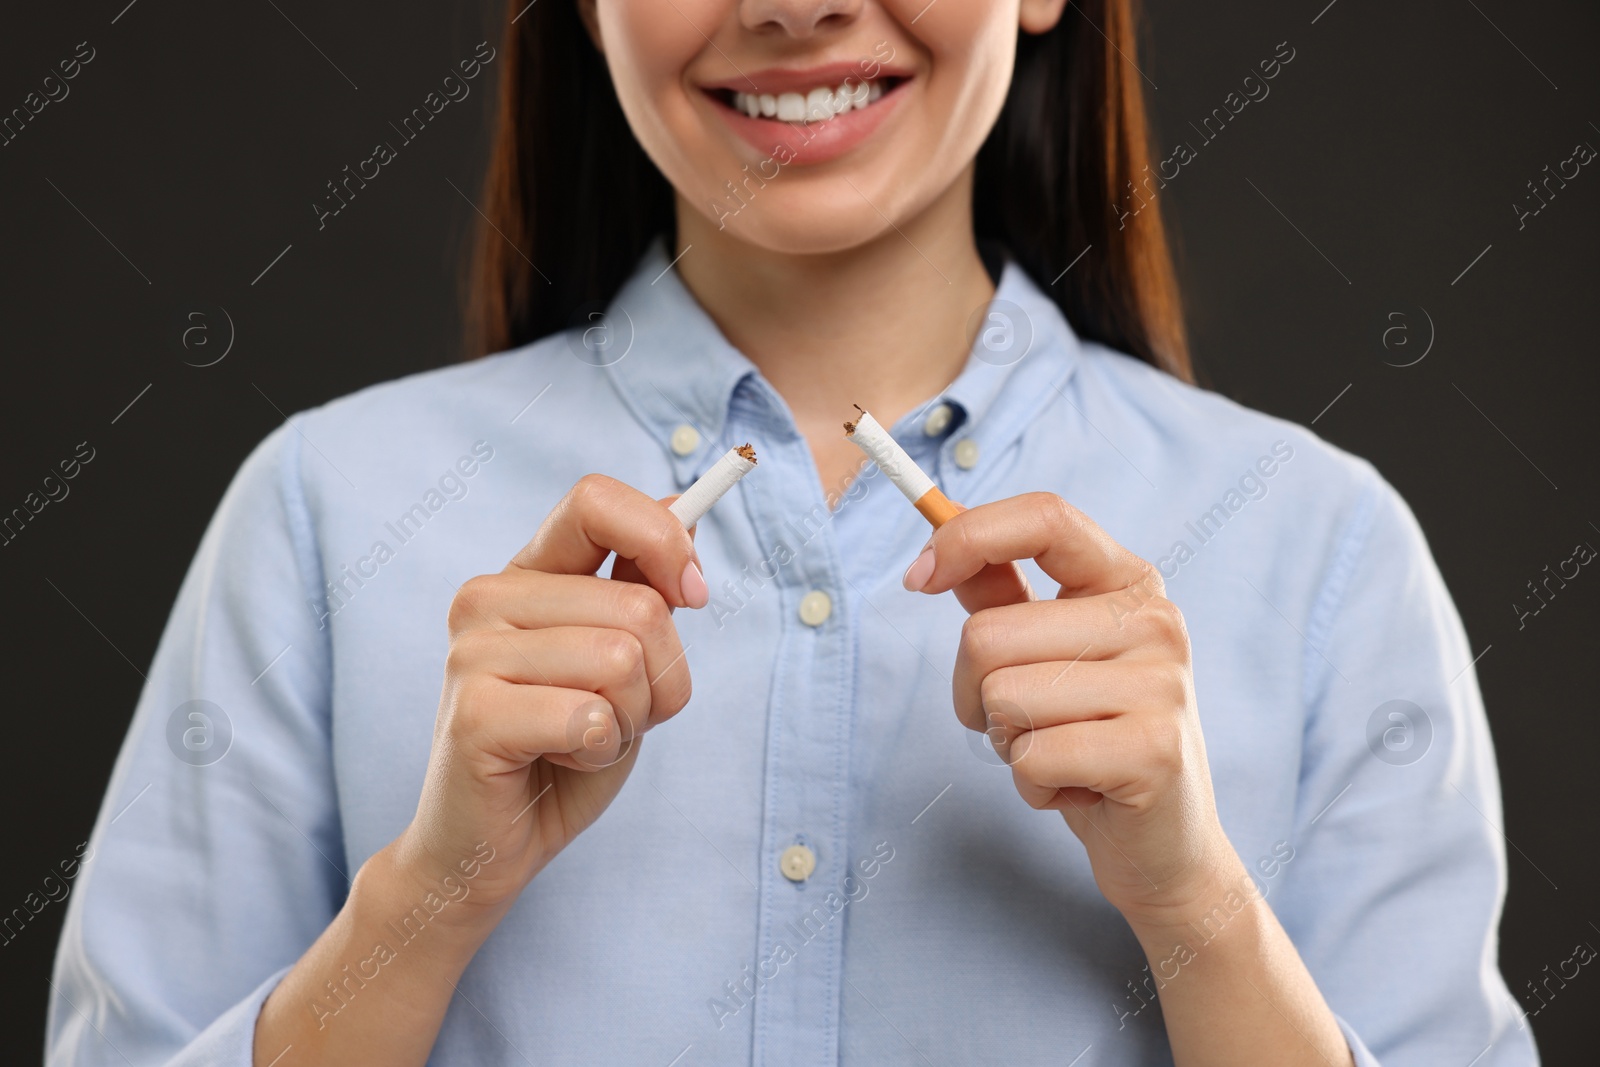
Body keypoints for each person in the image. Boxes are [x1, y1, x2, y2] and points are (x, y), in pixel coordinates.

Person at [47, 1, 1536, 1064]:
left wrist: (1192, 902)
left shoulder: (1324, 551)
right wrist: (432, 898)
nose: (795, 7)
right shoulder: (325, 516)